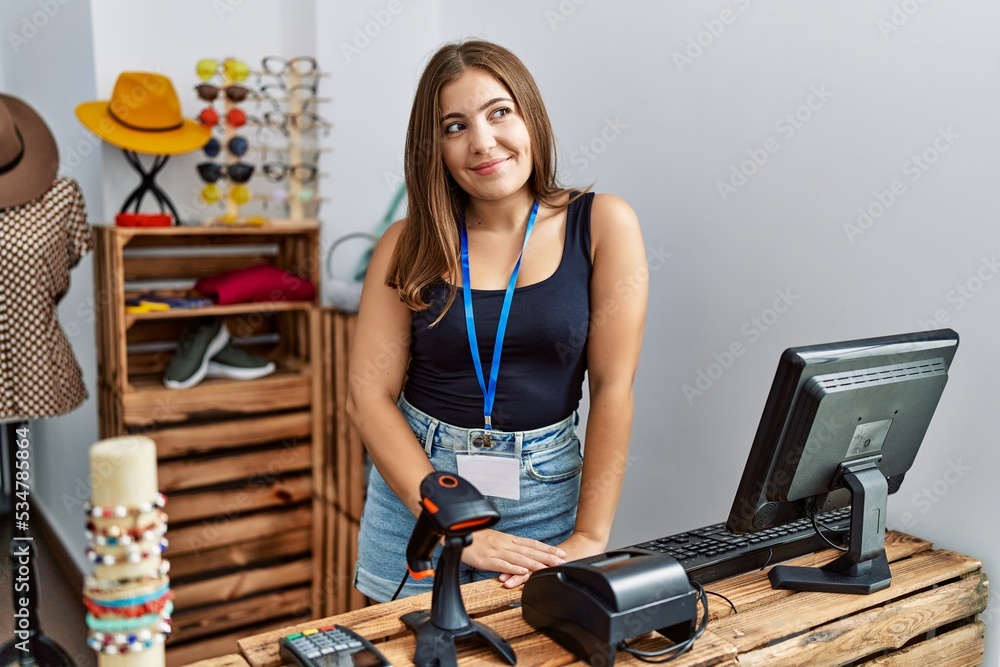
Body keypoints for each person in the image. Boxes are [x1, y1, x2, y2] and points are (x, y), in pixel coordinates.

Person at [348, 39, 648, 602]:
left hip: (543, 496)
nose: (482, 142)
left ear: (530, 116)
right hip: (419, 490)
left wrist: (591, 535)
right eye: (454, 126)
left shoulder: (604, 223)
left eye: (499, 113)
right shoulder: (405, 244)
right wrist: (449, 521)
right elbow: (366, 396)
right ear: (432, 146)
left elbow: (613, 388)